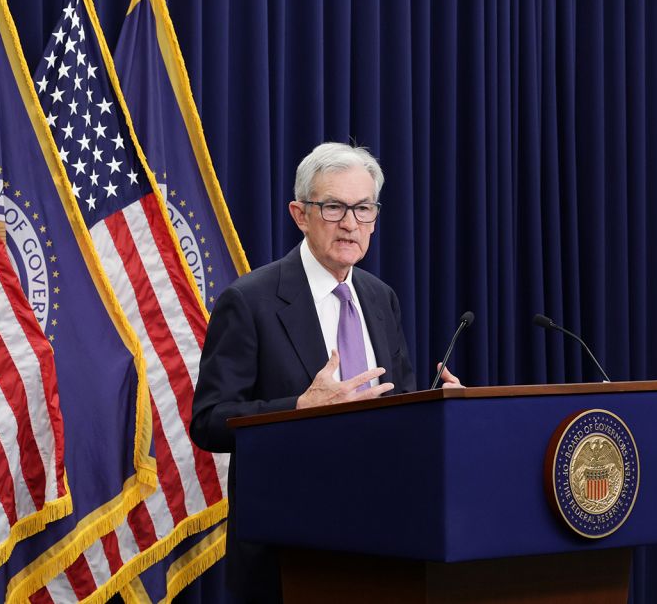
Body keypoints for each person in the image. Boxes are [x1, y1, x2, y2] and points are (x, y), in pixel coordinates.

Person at [190, 141, 460, 602]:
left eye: (363, 208)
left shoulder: (380, 297)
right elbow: (208, 421)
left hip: (385, 538)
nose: (350, 223)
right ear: (301, 214)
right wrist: (299, 408)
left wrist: (442, 410)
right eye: (334, 207)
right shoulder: (249, 301)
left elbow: (400, 408)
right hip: (290, 550)